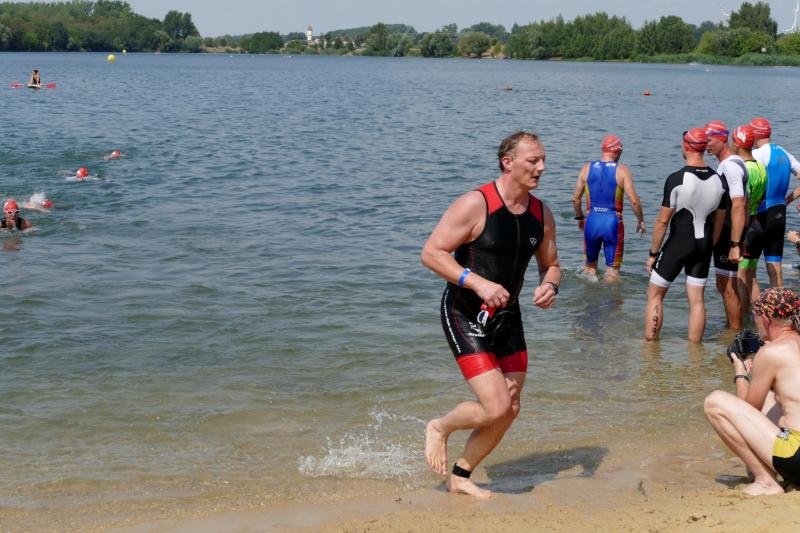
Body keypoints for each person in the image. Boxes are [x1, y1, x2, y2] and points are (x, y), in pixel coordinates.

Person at [421, 131, 561, 498]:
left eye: (543, 160)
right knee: (495, 405)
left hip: (507, 317)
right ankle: (440, 427)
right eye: (533, 160)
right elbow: (432, 253)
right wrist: (477, 283)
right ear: (507, 162)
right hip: (465, 311)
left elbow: (551, 264)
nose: (541, 167)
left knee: (510, 407)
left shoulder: (541, 213)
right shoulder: (476, 204)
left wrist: (550, 285)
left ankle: (460, 475)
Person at [704, 287, 800, 496]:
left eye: (755, 317)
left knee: (714, 402)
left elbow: (748, 411)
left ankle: (766, 481)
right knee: (772, 397)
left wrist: (740, 374)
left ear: (765, 319)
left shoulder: (771, 352)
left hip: (797, 459)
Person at [644, 128, 728, 342]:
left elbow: (662, 222)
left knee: (655, 294)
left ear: (686, 146)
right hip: (704, 244)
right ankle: (695, 350)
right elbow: (719, 221)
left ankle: (650, 346)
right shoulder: (719, 180)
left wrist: (653, 253)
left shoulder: (677, 179)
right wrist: (710, 244)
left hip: (679, 243)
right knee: (697, 300)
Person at [572, 134, 646, 283]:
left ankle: (588, 295)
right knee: (612, 271)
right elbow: (634, 201)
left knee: (589, 268)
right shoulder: (622, 170)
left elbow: (575, 199)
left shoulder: (587, 168)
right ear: (618, 151)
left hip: (591, 222)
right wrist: (641, 220)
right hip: (613, 223)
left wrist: (580, 218)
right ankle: (610, 297)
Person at [705, 121, 746, 330]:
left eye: (709, 140)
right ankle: (731, 327)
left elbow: (739, 203)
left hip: (729, 234)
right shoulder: (727, 164)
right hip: (727, 232)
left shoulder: (731, 166)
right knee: (723, 285)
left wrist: (735, 244)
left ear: (722, 139)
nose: (706, 145)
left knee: (728, 287)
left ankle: (735, 332)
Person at [750, 117, 800, 288]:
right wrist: (788, 199)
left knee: (749, 269)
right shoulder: (783, 152)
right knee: (775, 266)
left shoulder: (756, 154)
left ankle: (753, 305)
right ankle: (779, 303)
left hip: (761, 212)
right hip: (779, 211)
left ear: (755, 134)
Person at [733, 125, 768, 314]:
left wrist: (737, 237)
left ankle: (743, 318)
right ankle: (758, 317)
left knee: (740, 277)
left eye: (733, 141)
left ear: (738, 144)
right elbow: (762, 198)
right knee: (751, 277)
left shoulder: (744, 169)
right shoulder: (760, 167)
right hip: (759, 224)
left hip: (747, 228)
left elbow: (743, 204)